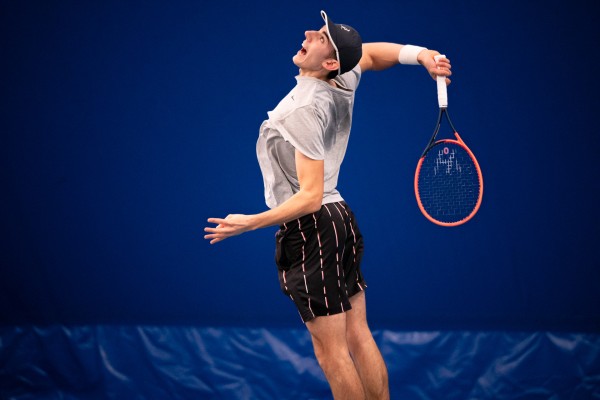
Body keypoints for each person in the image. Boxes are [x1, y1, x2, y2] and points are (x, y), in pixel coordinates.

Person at [204, 10, 451, 400]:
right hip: (340, 221)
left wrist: (249, 223)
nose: (308, 33)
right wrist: (421, 54)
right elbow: (371, 54)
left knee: (332, 353)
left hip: (312, 228)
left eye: (320, 37)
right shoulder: (341, 78)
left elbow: (309, 196)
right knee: (357, 334)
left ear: (331, 62)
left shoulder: (302, 109)